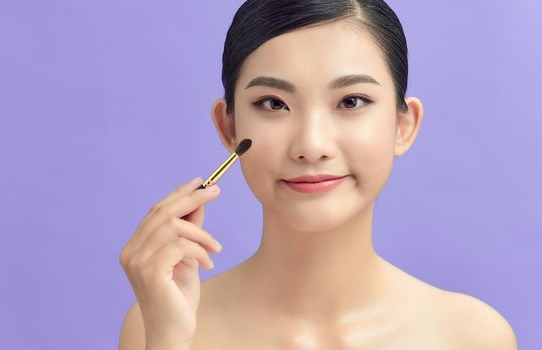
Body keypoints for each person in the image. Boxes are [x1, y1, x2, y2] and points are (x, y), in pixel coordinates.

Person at [118, 0, 517, 349]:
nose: (311, 144)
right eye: (273, 103)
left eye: (351, 101)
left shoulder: (471, 337)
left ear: (403, 125)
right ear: (229, 128)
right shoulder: (161, 323)